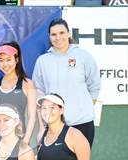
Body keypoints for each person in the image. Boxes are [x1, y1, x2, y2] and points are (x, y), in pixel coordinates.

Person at [33, 18, 101, 146]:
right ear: (49, 37)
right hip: (55, 124)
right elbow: (39, 90)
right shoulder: (42, 61)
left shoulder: (83, 56)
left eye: (62, 33)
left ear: (69, 34)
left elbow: (95, 84)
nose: (58, 37)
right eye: (54, 34)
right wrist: (45, 117)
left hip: (82, 123)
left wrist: (85, 107)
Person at [0, 41, 36, 153]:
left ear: (17, 60)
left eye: (8, 59)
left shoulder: (27, 84)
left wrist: (26, 140)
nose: (5, 64)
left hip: (17, 138)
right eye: (1, 60)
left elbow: (32, 116)